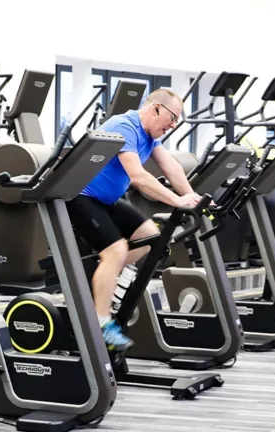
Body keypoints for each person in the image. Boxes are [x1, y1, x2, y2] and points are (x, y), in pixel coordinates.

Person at [67, 88, 202, 351]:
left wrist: (193, 197)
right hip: (81, 196)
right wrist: (175, 200)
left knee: (151, 237)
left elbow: (170, 166)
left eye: (177, 122)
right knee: (116, 251)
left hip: (106, 199)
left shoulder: (150, 135)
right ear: (156, 109)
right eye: (172, 118)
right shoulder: (124, 126)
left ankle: (103, 278)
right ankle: (101, 324)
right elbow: (138, 177)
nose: (173, 126)